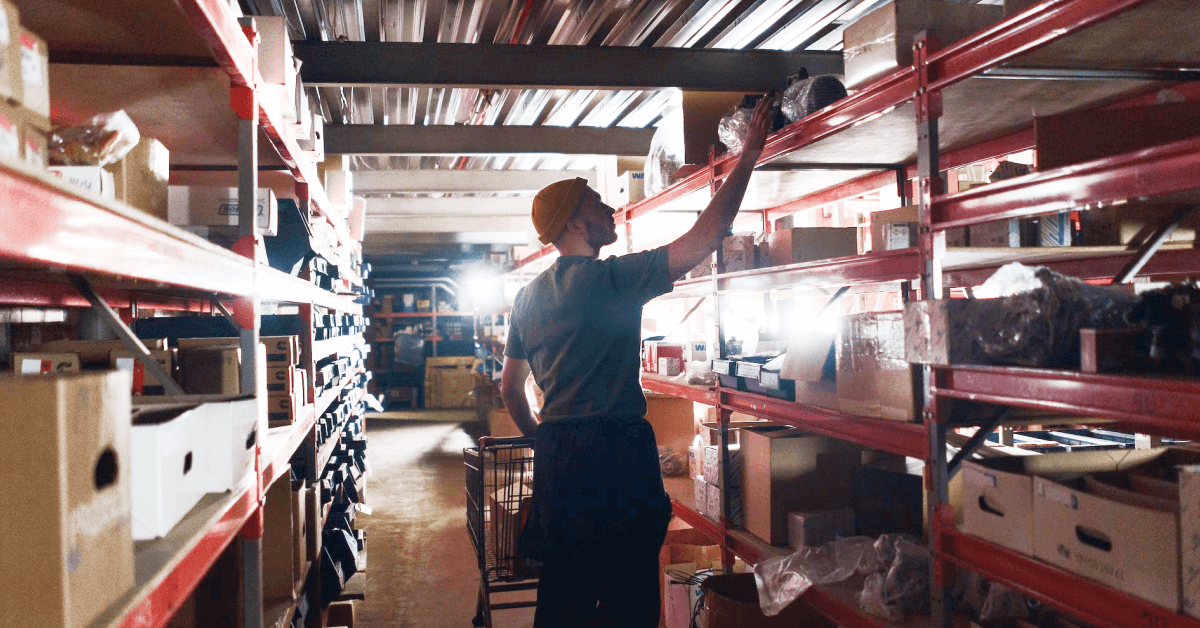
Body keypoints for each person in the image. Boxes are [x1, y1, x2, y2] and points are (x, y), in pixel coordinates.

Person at [499, 93, 774, 628]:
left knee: (563, 599)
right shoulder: (612, 280)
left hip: (560, 459)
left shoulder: (526, 298)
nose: (609, 210)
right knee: (628, 598)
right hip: (614, 456)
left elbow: (511, 390)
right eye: (598, 205)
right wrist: (748, 157)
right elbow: (706, 237)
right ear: (575, 225)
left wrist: (544, 439)